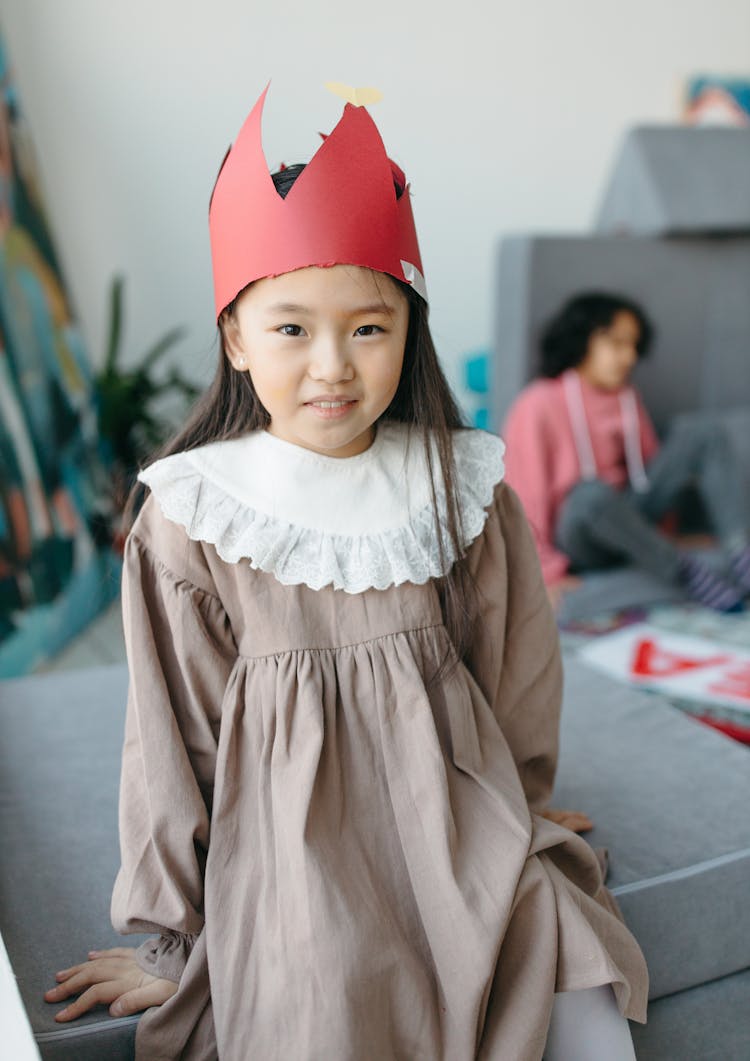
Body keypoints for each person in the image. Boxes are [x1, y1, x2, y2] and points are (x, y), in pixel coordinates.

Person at [44, 88, 647, 1060]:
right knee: (324, 995)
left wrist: (525, 797)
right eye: (291, 330)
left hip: (456, 808)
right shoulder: (196, 514)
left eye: (369, 328)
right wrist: (170, 934)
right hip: (297, 840)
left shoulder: (458, 485)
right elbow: (169, 737)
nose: (333, 364)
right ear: (236, 338)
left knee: (570, 966)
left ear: (408, 329)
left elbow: (515, 659)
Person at [503, 291, 750, 615]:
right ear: (582, 340)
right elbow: (523, 497)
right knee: (591, 494)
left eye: (633, 346)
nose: (628, 357)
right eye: (616, 343)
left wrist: (666, 534)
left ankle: (741, 553)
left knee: (703, 432)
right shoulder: (537, 402)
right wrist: (543, 573)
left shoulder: (627, 398)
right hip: (581, 531)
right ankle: (686, 573)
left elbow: (648, 476)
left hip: (628, 517)